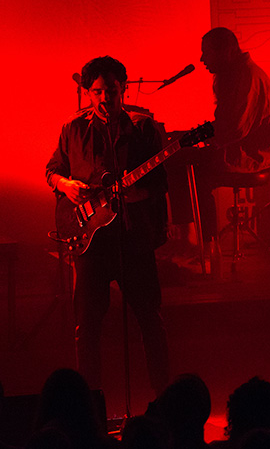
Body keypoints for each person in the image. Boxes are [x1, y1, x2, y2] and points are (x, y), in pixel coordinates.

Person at [46, 56, 170, 394]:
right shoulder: (72, 128)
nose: (105, 98)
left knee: (150, 319)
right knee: (86, 327)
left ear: (123, 89)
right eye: (98, 92)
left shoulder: (143, 128)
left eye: (111, 91)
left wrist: (135, 194)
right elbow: (52, 169)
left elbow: (159, 182)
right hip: (90, 241)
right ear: (87, 93)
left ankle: (164, 398)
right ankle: (90, 405)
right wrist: (64, 184)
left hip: (133, 236)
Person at [194, 27, 270, 268]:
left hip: (251, 157)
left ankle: (208, 246)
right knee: (188, 168)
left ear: (227, 51)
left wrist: (207, 142)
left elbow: (238, 129)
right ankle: (202, 244)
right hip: (237, 150)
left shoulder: (247, 77)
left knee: (196, 178)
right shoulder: (234, 75)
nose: (202, 60)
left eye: (206, 53)